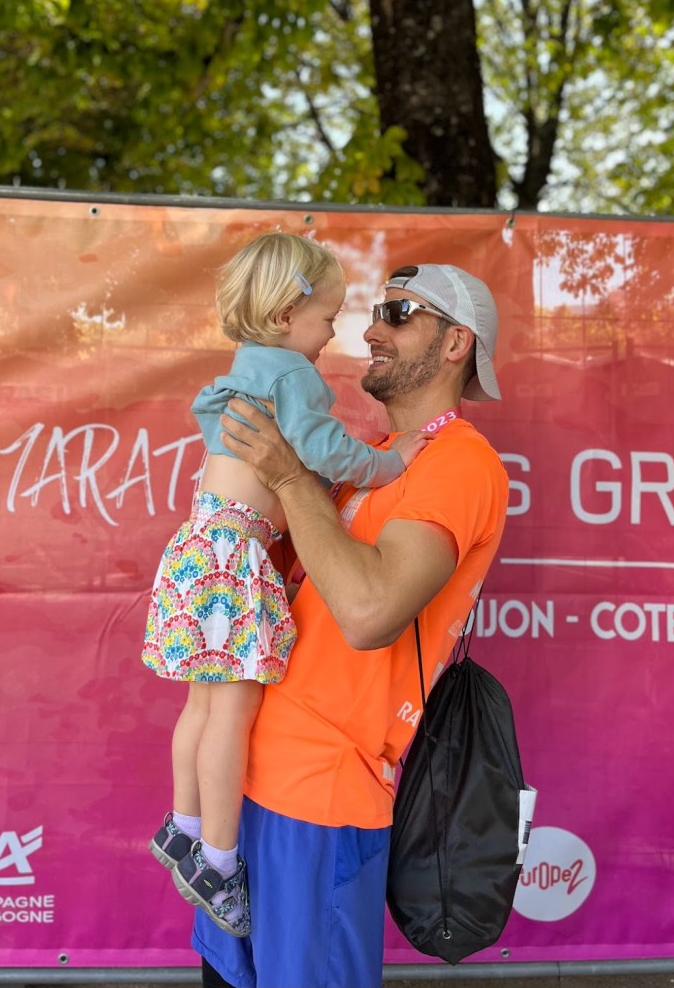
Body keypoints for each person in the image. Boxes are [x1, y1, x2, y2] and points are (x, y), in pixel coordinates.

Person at [190, 262, 510, 988]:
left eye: (397, 313)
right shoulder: (365, 463)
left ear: (455, 341)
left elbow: (367, 613)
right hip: (243, 782)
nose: (369, 329)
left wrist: (287, 476)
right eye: (373, 311)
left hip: (321, 797)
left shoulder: (460, 462)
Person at [141, 233, 431, 938]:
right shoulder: (291, 374)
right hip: (236, 552)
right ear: (283, 319)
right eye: (326, 318)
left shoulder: (239, 371)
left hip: (197, 543)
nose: (334, 332)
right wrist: (392, 465)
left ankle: (181, 827)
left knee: (202, 707)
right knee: (234, 712)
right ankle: (217, 858)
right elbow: (324, 448)